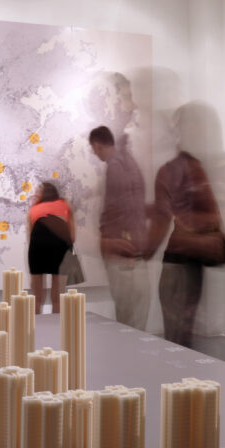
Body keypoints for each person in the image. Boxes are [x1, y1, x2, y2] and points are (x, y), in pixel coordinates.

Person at [145, 149, 224, 349]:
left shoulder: (175, 170)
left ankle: (177, 374)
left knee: (176, 332)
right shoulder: (196, 170)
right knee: (181, 331)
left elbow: (161, 220)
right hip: (187, 262)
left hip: (180, 261)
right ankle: (181, 373)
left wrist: (144, 252)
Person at [88, 125, 150, 330]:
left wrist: (107, 239)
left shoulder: (115, 166)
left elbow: (118, 208)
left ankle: (130, 358)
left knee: (126, 315)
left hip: (123, 252)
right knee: (138, 315)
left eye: (93, 149)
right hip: (137, 249)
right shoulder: (131, 164)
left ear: (97, 145)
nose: (95, 154)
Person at [26, 182, 75, 314]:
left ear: (42, 194)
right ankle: (57, 323)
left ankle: (36, 323)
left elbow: (30, 234)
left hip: (38, 248)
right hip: (60, 248)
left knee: (37, 295)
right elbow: (72, 234)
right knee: (58, 295)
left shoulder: (34, 209)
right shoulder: (65, 205)